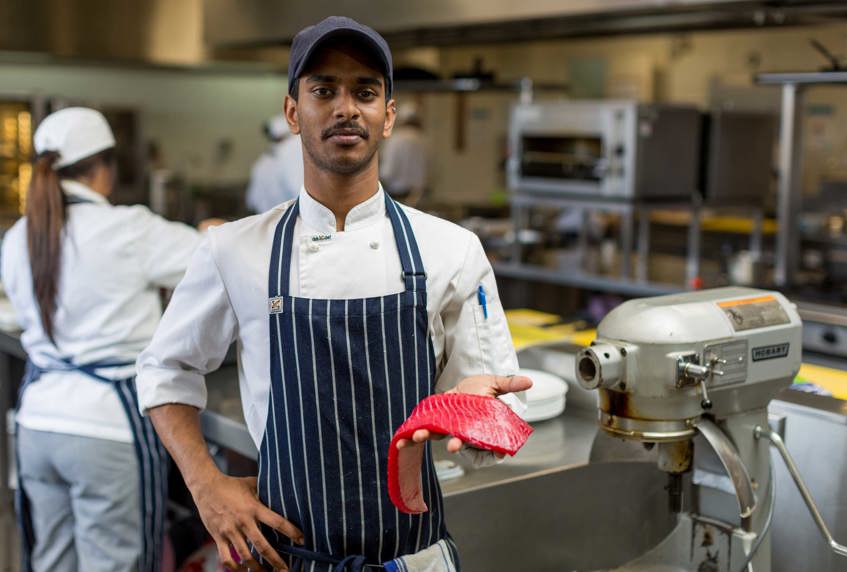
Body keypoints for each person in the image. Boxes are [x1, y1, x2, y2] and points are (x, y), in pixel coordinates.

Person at [137, 16, 530, 572]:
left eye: (365, 92)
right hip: (284, 558)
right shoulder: (233, 249)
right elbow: (163, 371)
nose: (346, 107)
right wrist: (206, 487)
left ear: (388, 116)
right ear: (294, 112)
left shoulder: (451, 250)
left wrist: (476, 417)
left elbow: (496, 420)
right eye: (324, 90)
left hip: (412, 560)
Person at [1, 107, 203, 572]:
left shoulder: (16, 238)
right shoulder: (129, 229)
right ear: (104, 169)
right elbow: (213, 261)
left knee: (50, 562)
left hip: (36, 425)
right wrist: (213, 234)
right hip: (105, 432)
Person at [246, 116, 304, 213]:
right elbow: (300, 191)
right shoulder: (293, 148)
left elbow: (252, 201)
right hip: (293, 217)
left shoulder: (261, 163)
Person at [379, 101, 428, 205]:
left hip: (397, 196)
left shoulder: (396, 138)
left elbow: (387, 172)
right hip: (420, 197)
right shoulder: (425, 140)